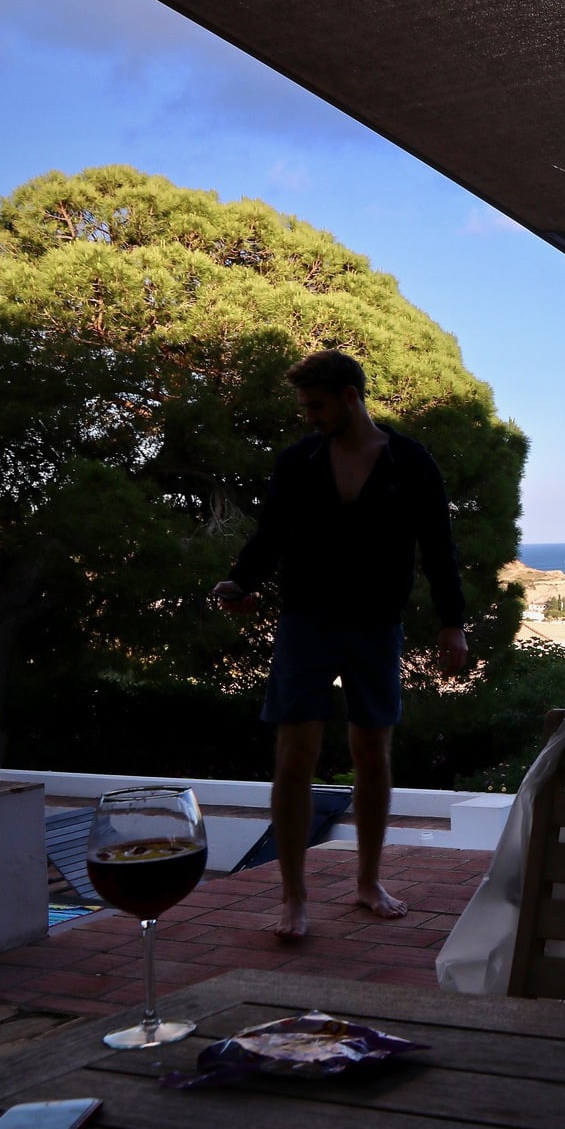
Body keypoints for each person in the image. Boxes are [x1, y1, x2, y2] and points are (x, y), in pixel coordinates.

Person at [211, 350, 468, 939]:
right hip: (305, 622)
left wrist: (452, 621)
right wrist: (241, 581)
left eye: (317, 406)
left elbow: (439, 547)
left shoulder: (410, 461)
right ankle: (293, 897)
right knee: (293, 758)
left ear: (351, 396)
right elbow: (270, 535)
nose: (309, 417)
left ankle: (368, 882)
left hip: (377, 625)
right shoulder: (298, 461)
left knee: (372, 755)